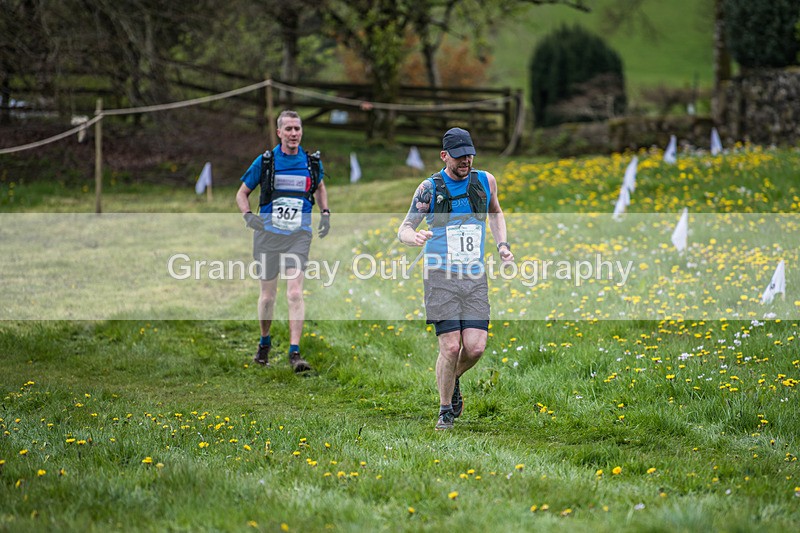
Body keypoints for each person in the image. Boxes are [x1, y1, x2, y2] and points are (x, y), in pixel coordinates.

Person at [397, 127, 514, 430]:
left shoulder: (485, 181)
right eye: (460, 156)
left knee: (474, 347)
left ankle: (452, 378)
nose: (466, 161)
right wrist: (414, 236)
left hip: (474, 277)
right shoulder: (429, 188)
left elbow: (496, 212)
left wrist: (503, 245)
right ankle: (445, 410)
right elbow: (405, 227)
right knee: (450, 348)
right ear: (444, 155)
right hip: (440, 278)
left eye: (470, 155)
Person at [235, 110, 330, 373]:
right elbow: (242, 194)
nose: (293, 134)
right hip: (267, 236)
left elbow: (320, 187)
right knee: (267, 296)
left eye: (297, 129)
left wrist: (325, 213)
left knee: (295, 292)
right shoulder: (266, 162)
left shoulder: (311, 162)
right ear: (279, 133)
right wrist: (248, 216)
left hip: (298, 236)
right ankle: (264, 342)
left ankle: (294, 352)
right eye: (288, 129)